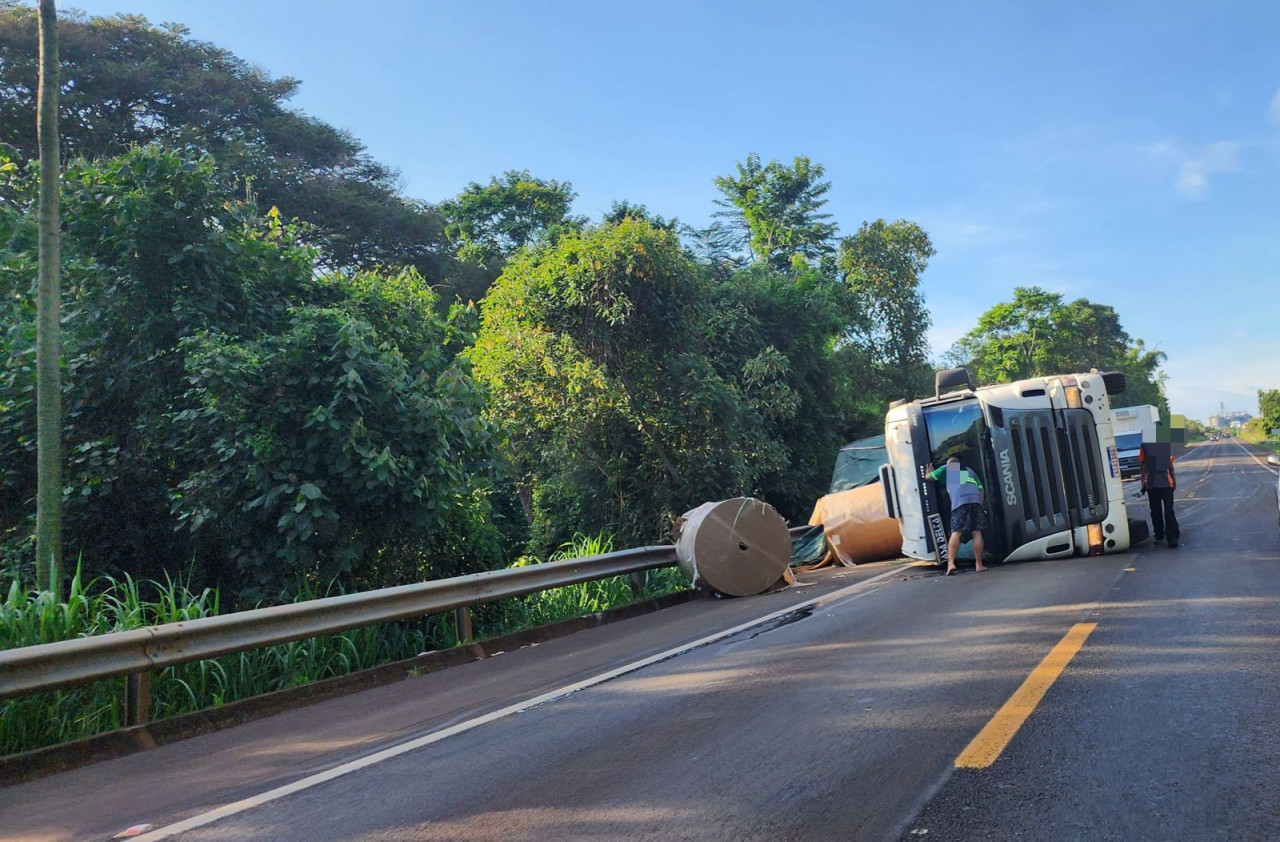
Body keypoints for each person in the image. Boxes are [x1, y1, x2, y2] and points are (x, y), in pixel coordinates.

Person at [925, 456, 988, 575]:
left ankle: (951, 564)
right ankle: (979, 564)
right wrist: (980, 505)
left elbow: (928, 478)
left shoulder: (947, 469)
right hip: (975, 502)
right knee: (976, 532)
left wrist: (928, 473)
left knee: (956, 533)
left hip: (960, 503)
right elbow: (980, 489)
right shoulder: (969, 471)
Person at [1140, 442, 1179, 548]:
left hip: (1153, 484)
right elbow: (1169, 464)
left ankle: (1159, 536)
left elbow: (1143, 464)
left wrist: (1143, 481)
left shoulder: (1144, 445)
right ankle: (1172, 538)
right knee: (1168, 511)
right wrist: (1174, 480)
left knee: (1156, 511)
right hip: (1165, 484)